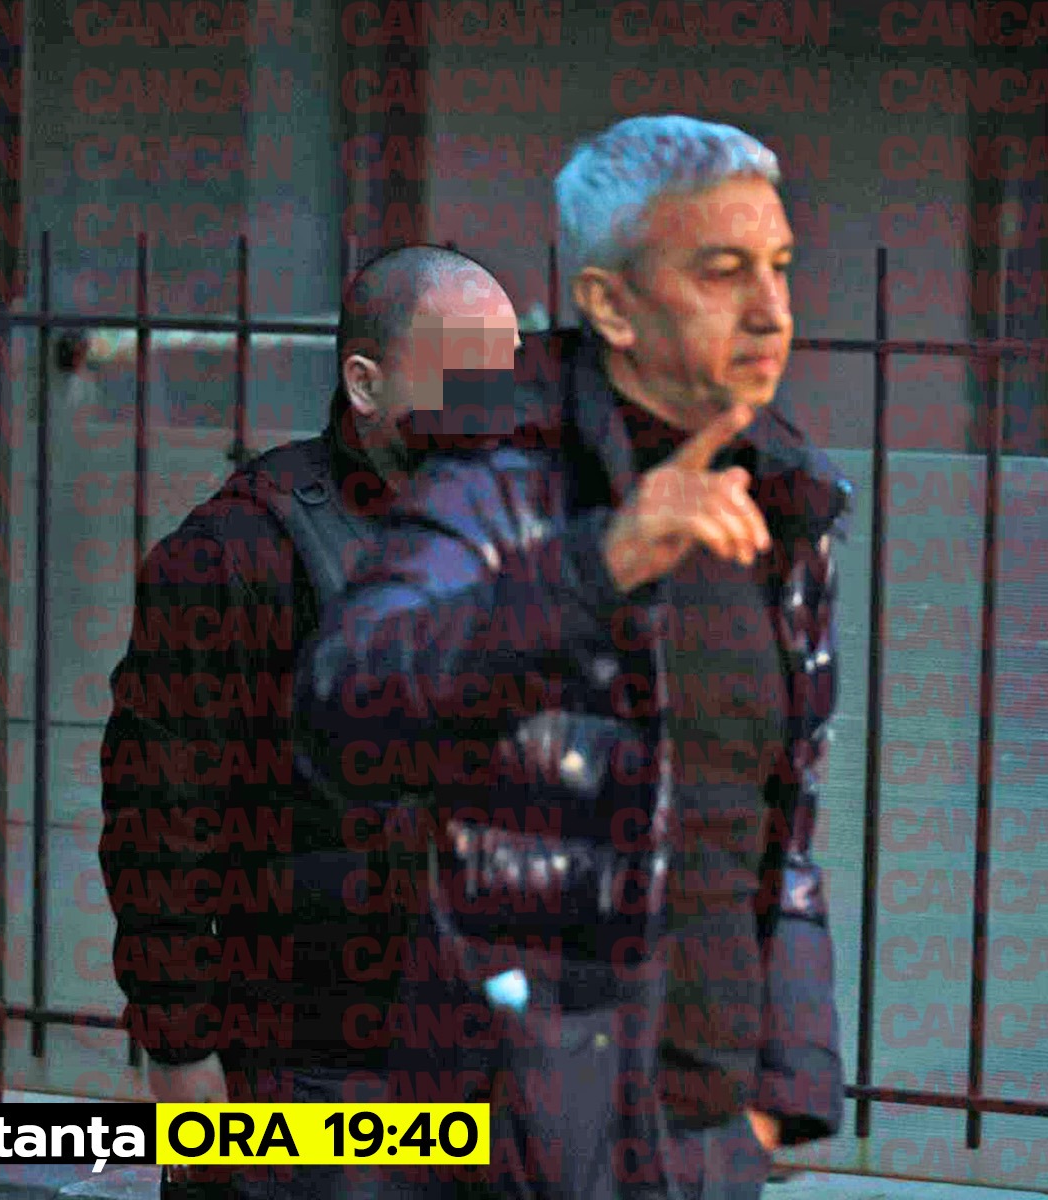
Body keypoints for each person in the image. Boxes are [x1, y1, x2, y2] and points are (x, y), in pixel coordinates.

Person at [296, 114, 849, 1200]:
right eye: (722, 271)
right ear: (611, 304)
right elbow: (344, 709)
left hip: (703, 1142)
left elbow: (783, 829)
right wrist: (595, 570)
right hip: (505, 1139)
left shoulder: (786, 499)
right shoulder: (495, 480)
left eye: (780, 266)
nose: (770, 310)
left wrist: (782, 1094)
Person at [95, 243, 522, 1199]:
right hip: (310, 1071)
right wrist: (180, 1050)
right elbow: (160, 820)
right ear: (365, 385)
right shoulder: (241, 553)